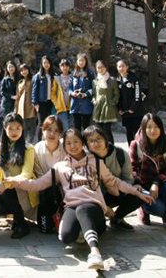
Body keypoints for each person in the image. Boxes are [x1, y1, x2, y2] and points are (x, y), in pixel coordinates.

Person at [8, 128, 153, 270]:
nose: (73, 146)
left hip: (93, 205)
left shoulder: (95, 162)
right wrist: (19, 182)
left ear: (82, 143)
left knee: (83, 209)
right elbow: (38, 184)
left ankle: (95, 252)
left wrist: (136, 192)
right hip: (72, 206)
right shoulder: (60, 167)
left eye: (76, 141)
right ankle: (86, 231)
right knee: (66, 237)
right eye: (68, 143)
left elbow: (114, 181)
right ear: (64, 147)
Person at [130, 113, 166, 231]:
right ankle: (143, 208)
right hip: (143, 186)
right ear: (143, 128)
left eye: (156, 127)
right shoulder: (136, 145)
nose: (152, 130)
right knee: (159, 209)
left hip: (160, 183)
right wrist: (139, 185)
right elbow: (132, 169)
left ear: (161, 128)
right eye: (149, 127)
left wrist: (156, 182)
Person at [83, 125, 142, 231]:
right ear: (87, 145)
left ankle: (117, 218)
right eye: (91, 141)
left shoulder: (120, 154)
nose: (96, 143)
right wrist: (103, 206)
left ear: (105, 138)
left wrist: (129, 188)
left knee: (139, 193)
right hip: (96, 197)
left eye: (98, 138)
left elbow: (128, 178)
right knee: (99, 228)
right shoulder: (87, 159)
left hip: (118, 191)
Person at [0, 113, 37, 239]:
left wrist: (8, 183)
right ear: (5, 129)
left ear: (22, 128)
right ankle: (19, 220)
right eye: (10, 128)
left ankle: (21, 224)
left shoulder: (28, 149)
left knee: (9, 191)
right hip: (6, 190)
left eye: (17, 128)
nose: (14, 132)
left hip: (23, 187)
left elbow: (27, 174)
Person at [33, 115, 66, 234]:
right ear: (43, 131)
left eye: (56, 131)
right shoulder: (37, 149)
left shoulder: (65, 148)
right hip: (44, 191)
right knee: (45, 229)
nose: (52, 134)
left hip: (64, 190)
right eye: (49, 130)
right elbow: (38, 174)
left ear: (61, 134)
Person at [91, 60, 119, 144]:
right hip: (98, 108)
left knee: (107, 130)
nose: (101, 69)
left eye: (102, 67)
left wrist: (112, 102)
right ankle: (100, 147)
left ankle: (111, 148)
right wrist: (94, 101)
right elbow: (94, 94)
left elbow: (116, 94)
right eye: (98, 67)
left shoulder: (112, 80)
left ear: (106, 68)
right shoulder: (95, 81)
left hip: (108, 108)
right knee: (98, 130)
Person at [31, 56, 59, 142]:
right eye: (44, 63)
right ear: (42, 64)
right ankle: (39, 141)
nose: (46, 64)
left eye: (48, 62)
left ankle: (47, 139)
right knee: (41, 122)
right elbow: (34, 90)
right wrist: (35, 103)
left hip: (51, 102)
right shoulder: (38, 76)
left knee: (50, 121)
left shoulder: (54, 75)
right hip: (41, 102)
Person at [116, 59, 143, 145]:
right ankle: (131, 149)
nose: (121, 68)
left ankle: (139, 149)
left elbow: (137, 95)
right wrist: (119, 109)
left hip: (136, 111)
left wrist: (133, 108)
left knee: (136, 131)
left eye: (123, 66)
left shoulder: (134, 79)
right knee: (128, 131)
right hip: (125, 111)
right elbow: (118, 96)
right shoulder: (118, 80)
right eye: (119, 66)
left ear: (127, 67)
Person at [69, 53, 95, 133]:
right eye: (79, 60)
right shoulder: (73, 73)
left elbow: (94, 88)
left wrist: (86, 94)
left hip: (86, 104)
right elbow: (69, 88)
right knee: (76, 127)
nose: (81, 62)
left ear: (86, 61)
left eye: (83, 60)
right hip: (75, 104)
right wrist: (72, 93)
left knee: (86, 127)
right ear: (77, 61)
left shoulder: (90, 73)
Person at [15, 63, 37, 141]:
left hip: (31, 105)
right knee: (23, 125)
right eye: (22, 70)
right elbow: (18, 95)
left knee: (32, 123)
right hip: (21, 106)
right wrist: (16, 108)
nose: (24, 72)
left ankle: (30, 140)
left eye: (25, 69)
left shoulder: (33, 80)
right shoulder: (20, 82)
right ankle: (23, 140)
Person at [57, 59, 73, 130]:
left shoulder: (73, 77)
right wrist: (56, 102)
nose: (65, 68)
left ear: (69, 67)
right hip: (61, 105)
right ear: (60, 67)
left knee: (72, 124)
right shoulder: (57, 78)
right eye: (63, 66)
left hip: (72, 104)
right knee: (64, 124)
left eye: (66, 66)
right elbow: (53, 92)